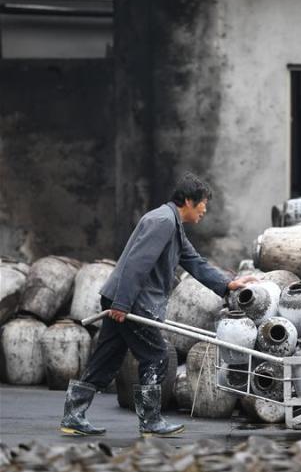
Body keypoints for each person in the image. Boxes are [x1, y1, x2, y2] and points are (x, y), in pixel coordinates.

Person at [60, 172, 259, 438]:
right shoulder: (162, 222)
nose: (205, 210)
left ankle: (73, 416)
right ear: (188, 201)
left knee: (106, 357)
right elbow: (136, 264)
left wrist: (227, 285)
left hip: (125, 299)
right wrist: (122, 304)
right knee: (156, 355)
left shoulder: (173, 225)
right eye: (203, 204)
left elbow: (194, 262)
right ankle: (150, 421)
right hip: (132, 302)